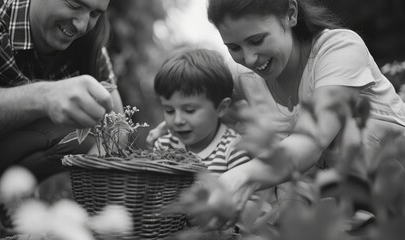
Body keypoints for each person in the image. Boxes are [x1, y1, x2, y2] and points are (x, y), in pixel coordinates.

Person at [148, 0, 405, 229]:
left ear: (290, 14)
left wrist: (240, 177)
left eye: (257, 40)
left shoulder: (339, 49)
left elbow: (311, 141)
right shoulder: (243, 76)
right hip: (321, 204)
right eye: (233, 47)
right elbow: (207, 100)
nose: (249, 58)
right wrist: (173, 121)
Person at [0, 0, 123, 199]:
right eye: (74, 4)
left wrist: (94, 189)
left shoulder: (90, 48)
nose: (82, 25)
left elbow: (119, 127)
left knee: (94, 129)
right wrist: (47, 95)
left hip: (2, 158)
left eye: (95, 14)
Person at [152, 48, 251, 175]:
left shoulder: (233, 149)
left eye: (189, 110)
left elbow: (244, 191)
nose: (178, 120)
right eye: (169, 110)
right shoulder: (164, 146)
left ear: (221, 108)